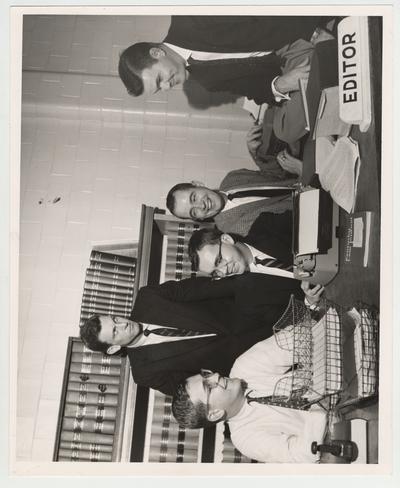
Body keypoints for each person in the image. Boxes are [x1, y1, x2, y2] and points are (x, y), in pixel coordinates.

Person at [80, 273, 315, 396]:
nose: (123, 323)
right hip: (256, 359)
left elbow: (208, 288)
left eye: (116, 318)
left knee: (321, 305)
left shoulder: (149, 298)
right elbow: (198, 387)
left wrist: (252, 286)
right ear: (112, 348)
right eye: (115, 330)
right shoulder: (145, 373)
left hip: (252, 312)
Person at [118, 16, 337, 143]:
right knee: (284, 131)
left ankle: (326, 64)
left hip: (297, 30)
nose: (166, 87)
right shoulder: (205, 80)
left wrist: (313, 32)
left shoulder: (189, 17)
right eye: (159, 89)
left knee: (307, 106)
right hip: (289, 60)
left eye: (159, 80)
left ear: (157, 54)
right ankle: (324, 72)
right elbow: (254, 88)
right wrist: (281, 84)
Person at [171, 331, 328, 463]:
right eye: (209, 387)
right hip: (339, 429)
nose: (217, 375)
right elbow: (305, 453)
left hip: (337, 369)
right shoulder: (245, 439)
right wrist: (321, 406)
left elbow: (302, 336)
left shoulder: (244, 365)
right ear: (215, 414)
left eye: (206, 375)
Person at [188, 217, 324, 304]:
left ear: (227, 239)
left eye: (219, 261)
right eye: (215, 273)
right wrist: (310, 301)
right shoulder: (249, 295)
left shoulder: (266, 226)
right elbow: (295, 318)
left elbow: (315, 220)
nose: (224, 271)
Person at [166, 173, 296, 236]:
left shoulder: (233, 177)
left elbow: (276, 175)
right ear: (199, 219)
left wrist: (257, 152)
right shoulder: (233, 231)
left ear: (198, 184)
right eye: (194, 212)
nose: (201, 206)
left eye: (194, 198)